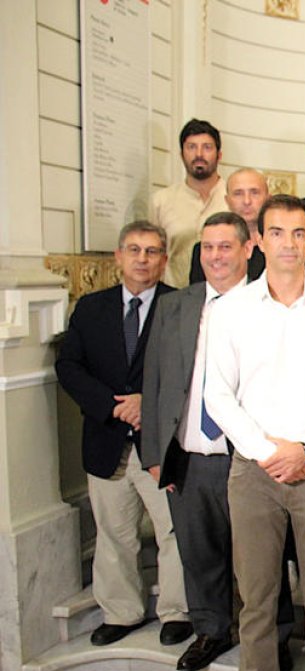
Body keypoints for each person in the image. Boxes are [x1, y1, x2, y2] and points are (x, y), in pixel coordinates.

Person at [204, 194, 305, 671]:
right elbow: (219, 397)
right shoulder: (232, 310)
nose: (288, 243)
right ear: (258, 241)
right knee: (256, 599)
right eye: (276, 232)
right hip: (253, 473)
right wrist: (266, 452)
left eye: (298, 233)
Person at [141, 212, 296, 671]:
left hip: (248, 459)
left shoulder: (268, 305)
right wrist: (156, 455)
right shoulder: (177, 306)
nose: (215, 256)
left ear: (250, 249)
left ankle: (275, 638)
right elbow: (155, 379)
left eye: (225, 246)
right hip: (190, 456)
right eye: (207, 247)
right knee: (199, 551)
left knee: (263, 560)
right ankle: (210, 630)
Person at [55, 221, 191, 648]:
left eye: (152, 252)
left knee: (172, 530)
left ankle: (176, 611)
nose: (142, 259)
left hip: (161, 442)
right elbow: (69, 367)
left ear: (164, 260)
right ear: (118, 256)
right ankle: (122, 611)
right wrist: (114, 405)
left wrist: (145, 402)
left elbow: (190, 371)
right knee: (114, 532)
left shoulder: (181, 306)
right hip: (107, 438)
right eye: (134, 250)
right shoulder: (90, 309)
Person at [150, 118, 227, 287]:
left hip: (227, 299)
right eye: (192, 147)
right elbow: (153, 255)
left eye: (207, 147)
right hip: (177, 297)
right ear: (181, 154)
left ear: (219, 155)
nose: (199, 154)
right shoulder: (162, 201)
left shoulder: (234, 198)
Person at [188, 168, 267, 283]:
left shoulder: (280, 249)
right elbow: (197, 295)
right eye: (238, 194)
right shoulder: (206, 251)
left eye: (254, 192)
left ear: (268, 198)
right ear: (227, 201)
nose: (247, 201)